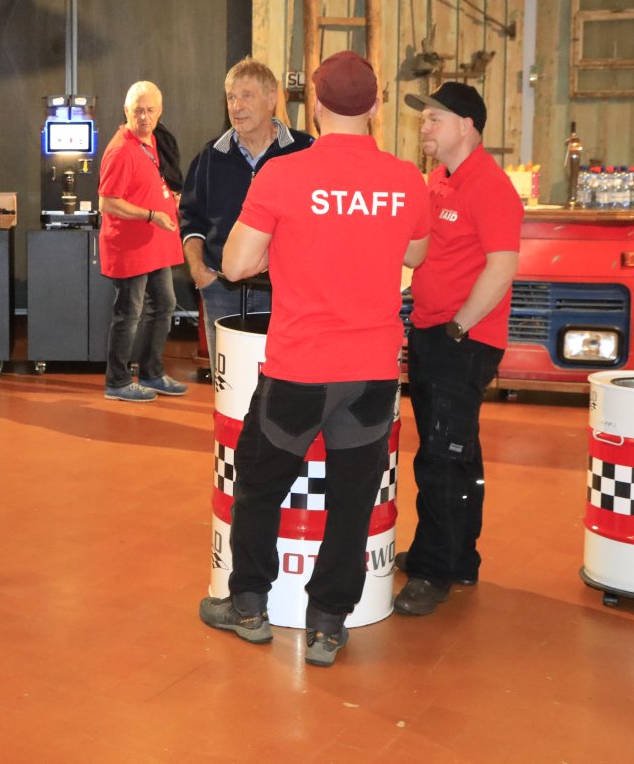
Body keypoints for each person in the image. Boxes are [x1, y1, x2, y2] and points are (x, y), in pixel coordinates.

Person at [199, 51, 430, 667]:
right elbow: (416, 254)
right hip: (372, 370)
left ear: (316, 107)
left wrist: (285, 249)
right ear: (376, 105)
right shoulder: (407, 179)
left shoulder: (283, 175)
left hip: (300, 368)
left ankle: (249, 605)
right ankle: (328, 625)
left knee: (257, 487)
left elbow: (236, 265)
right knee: (352, 501)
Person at [393, 82, 523, 617]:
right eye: (423, 119)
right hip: (433, 331)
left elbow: (503, 265)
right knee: (458, 450)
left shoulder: (489, 186)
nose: (424, 127)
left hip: (462, 340)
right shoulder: (439, 180)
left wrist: (460, 326)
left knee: (441, 457)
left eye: (434, 119)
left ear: (466, 125)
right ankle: (460, 556)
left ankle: (433, 571)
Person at [180, 58, 312, 366]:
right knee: (228, 385)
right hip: (220, 290)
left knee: (282, 379)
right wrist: (199, 271)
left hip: (286, 294)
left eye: (247, 96)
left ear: (271, 99)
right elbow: (191, 221)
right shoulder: (210, 156)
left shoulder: (305, 151)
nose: (237, 106)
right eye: (231, 97)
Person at [98, 81, 188, 403]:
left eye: (150, 110)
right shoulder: (121, 149)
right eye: (137, 111)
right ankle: (118, 381)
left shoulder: (156, 141)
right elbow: (107, 202)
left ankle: (151, 372)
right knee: (129, 312)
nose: (144, 117)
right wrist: (151, 214)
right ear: (126, 111)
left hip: (155, 244)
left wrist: (170, 199)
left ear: (160, 111)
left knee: (163, 304)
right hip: (130, 246)